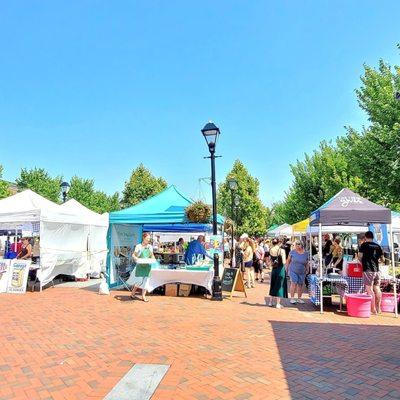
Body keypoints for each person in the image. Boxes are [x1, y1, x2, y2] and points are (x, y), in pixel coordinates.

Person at [358, 231, 384, 314]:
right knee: (377, 288)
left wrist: (363, 261)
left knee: (369, 289)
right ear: (373, 237)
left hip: (368, 270)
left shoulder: (363, 245)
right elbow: (383, 259)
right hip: (377, 270)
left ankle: (373, 309)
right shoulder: (377, 246)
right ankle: (378, 308)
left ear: (365, 237)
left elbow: (359, 257)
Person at [130, 232, 155, 302]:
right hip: (140, 265)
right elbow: (133, 255)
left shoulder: (150, 247)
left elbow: (151, 255)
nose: (148, 240)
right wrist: (135, 258)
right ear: (143, 238)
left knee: (146, 281)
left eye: (149, 239)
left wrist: (153, 258)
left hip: (148, 266)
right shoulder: (138, 246)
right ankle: (133, 293)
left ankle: (143, 296)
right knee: (139, 281)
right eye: (147, 239)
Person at [268, 238, 288, 308]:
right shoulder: (281, 250)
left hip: (274, 269)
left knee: (273, 285)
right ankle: (278, 304)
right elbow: (284, 262)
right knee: (280, 286)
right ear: (279, 242)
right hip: (280, 269)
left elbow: (270, 261)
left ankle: (270, 302)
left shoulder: (271, 249)